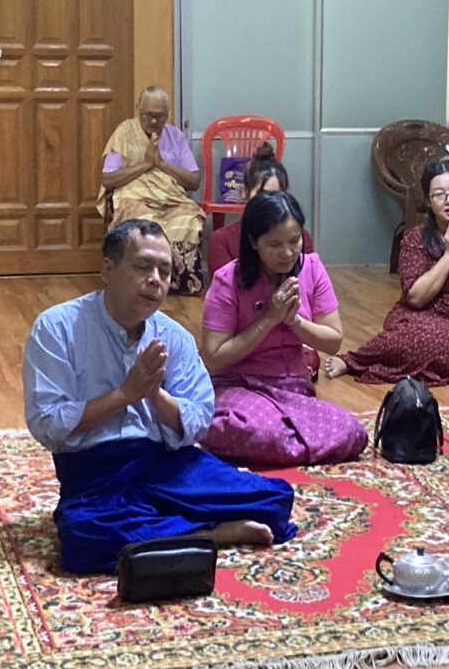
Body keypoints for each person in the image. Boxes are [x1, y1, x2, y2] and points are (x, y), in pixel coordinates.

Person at [22, 219, 297, 575]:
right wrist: (124, 395)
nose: (155, 280)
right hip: (93, 470)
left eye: (164, 272)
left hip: (164, 462)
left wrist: (155, 396)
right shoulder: (57, 328)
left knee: (274, 499)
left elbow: (199, 419)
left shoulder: (173, 337)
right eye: (143, 267)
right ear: (108, 270)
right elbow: (46, 423)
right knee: (83, 534)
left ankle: (154, 524)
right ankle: (207, 534)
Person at [200, 191, 367, 466]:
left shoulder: (312, 268)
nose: (288, 253)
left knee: (353, 432)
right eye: (274, 244)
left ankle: (282, 442)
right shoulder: (228, 279)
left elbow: (333, 341)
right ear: (253, 242)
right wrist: (269, 319)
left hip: (293, 388)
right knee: (255, 429)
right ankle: (297, 442)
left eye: (294, 241)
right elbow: (215, 358)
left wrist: (293, 321)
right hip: (238, 384)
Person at [325, 158, 449, 385]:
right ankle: (355, 360)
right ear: (428, 202)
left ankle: (406, 365)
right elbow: (415, 297)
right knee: (417, 335)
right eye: (439, 195)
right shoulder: (414, 238)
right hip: (421, 320)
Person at [97, 86, 206, 295]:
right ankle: (140, 281)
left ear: (168, 114)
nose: (154, 121)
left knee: (189, 222)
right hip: (135, 199)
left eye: (160, 116)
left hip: (172, 200)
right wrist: (146, 164)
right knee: (145, 226)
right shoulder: (124, 133)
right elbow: (108, 179)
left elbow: (193, 181)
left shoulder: (175, 136)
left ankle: (180, 284)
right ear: (138, 109)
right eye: (148, 115)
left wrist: (162, 164)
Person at [206, 142, 314, 281]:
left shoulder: (300, 237)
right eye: (262, 194)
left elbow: (310, 281)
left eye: (279, 194)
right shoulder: (222, 240)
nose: (270, 203)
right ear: (245, 192)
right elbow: (223, 288)